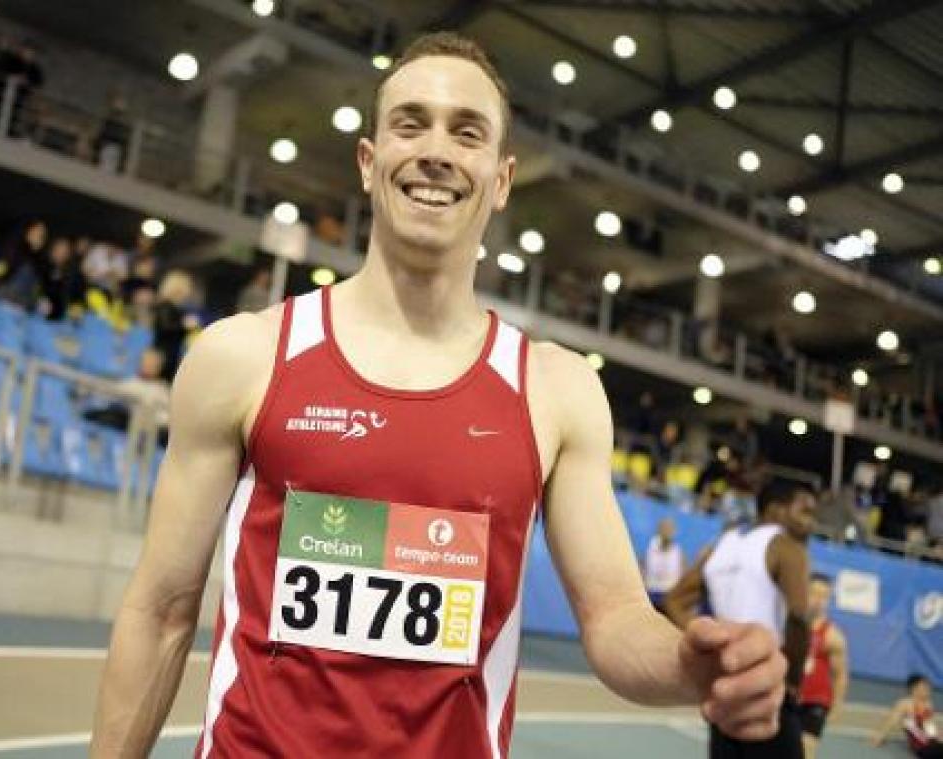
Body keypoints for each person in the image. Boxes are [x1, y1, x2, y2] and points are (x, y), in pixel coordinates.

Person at [89, 32, 788, 758]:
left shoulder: (556, 389)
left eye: (467, 132)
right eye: (410, 123)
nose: (436, 151)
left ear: (503, 177)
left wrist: (689, 665)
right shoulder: (245, 355)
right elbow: (162, 610)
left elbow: (614, 616)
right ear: (369, 161)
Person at [664, 479, 815, 759]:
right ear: (776, 510)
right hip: (767, 685)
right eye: (804, 511)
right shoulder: (788, 547)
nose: (811, 523)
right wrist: (792, 682)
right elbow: (799, 617)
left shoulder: (722, 544)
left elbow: (673, 601)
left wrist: (713, 641)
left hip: (725, 685)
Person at [797, 573, 848, 759]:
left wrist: (837, 705)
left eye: (824, 596)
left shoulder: (833, 635)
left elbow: (840, 674)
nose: (818, 600)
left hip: (815, 701)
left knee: (806, 750)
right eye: (814, 593)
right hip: (788, 696)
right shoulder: (789, 625)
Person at [872, 675, 943, 758]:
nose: (928, 689)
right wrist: (880, 736)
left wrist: (938, 735)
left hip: (931, 742)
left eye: (928, 687)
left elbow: (929, 726)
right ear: (914, 689)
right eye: (925, 687)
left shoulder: (928, 704)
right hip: (922, 746)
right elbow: (891, 721)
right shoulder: (905, 704)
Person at [643, 517, 685, 612]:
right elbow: (643, 569)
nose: (667, 531)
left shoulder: (678, 552)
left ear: (674, 531)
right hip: (651, 593)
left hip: (669, 595)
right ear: (659, 530)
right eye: (665, 528)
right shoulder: (650, 549)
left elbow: (683, 573)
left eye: (670, 529)